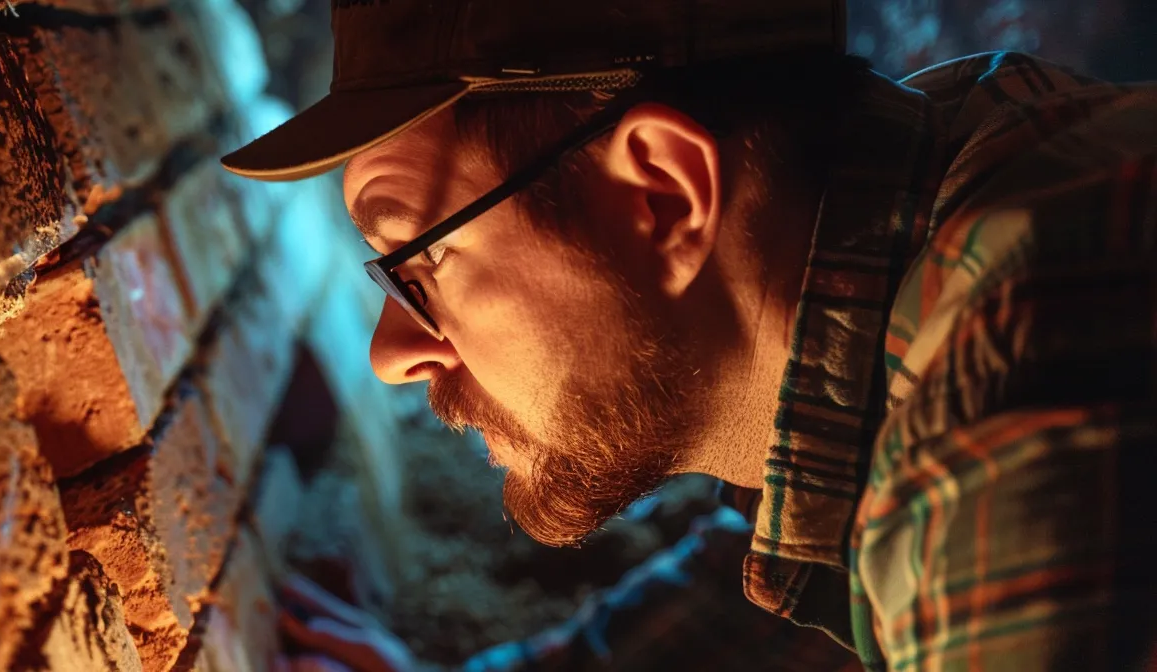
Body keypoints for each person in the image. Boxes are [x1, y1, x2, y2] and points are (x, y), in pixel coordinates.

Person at [219, 0, 1157, 670]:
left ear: (663, 196)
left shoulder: (1016, 389)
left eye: (415, 261)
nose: (392, 355)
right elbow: (778, 579)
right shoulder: (927, 194)